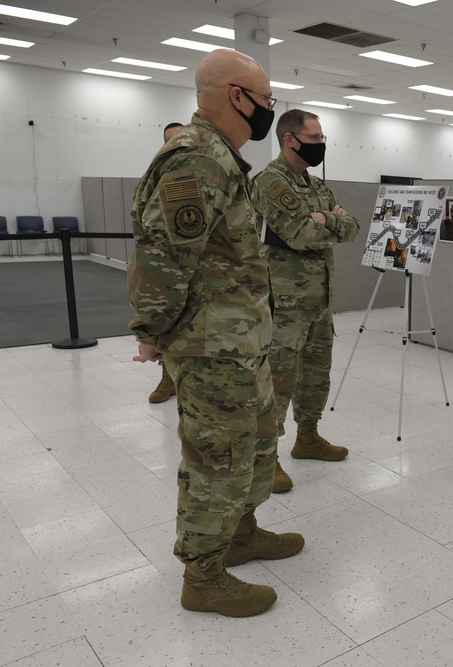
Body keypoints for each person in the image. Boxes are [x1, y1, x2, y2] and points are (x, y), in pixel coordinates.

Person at [128, 49, 304, 618]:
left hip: (240, 343)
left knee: (253, 448)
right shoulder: (197, 159)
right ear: (238, 97)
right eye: (266, 101)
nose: (267, 112)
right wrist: (151, 333)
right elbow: (161, 258)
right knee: (218, 458)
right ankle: (202, 575)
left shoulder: (222, 159)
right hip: (210, 349)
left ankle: (241, 532)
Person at [249, 109, 360, 493]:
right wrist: (332, 220)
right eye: (314, 139)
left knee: (315, 377)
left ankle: (308, 437)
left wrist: (324, 218)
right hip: (283, 307)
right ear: (289, 139)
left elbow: (352, 227)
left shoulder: (316, 185)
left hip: (319, 303)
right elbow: (299, 234)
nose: (320, 145)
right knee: (278, 384)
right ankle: (268, 458)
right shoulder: (269, 182)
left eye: (322, 138)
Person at [147, 122, 187, 404]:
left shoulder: (202, 175)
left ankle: (186, 379)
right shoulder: (157, 179)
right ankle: (167, 378)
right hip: (166, 267)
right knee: (168, 325)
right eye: (170, 141)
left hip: (195, 268)